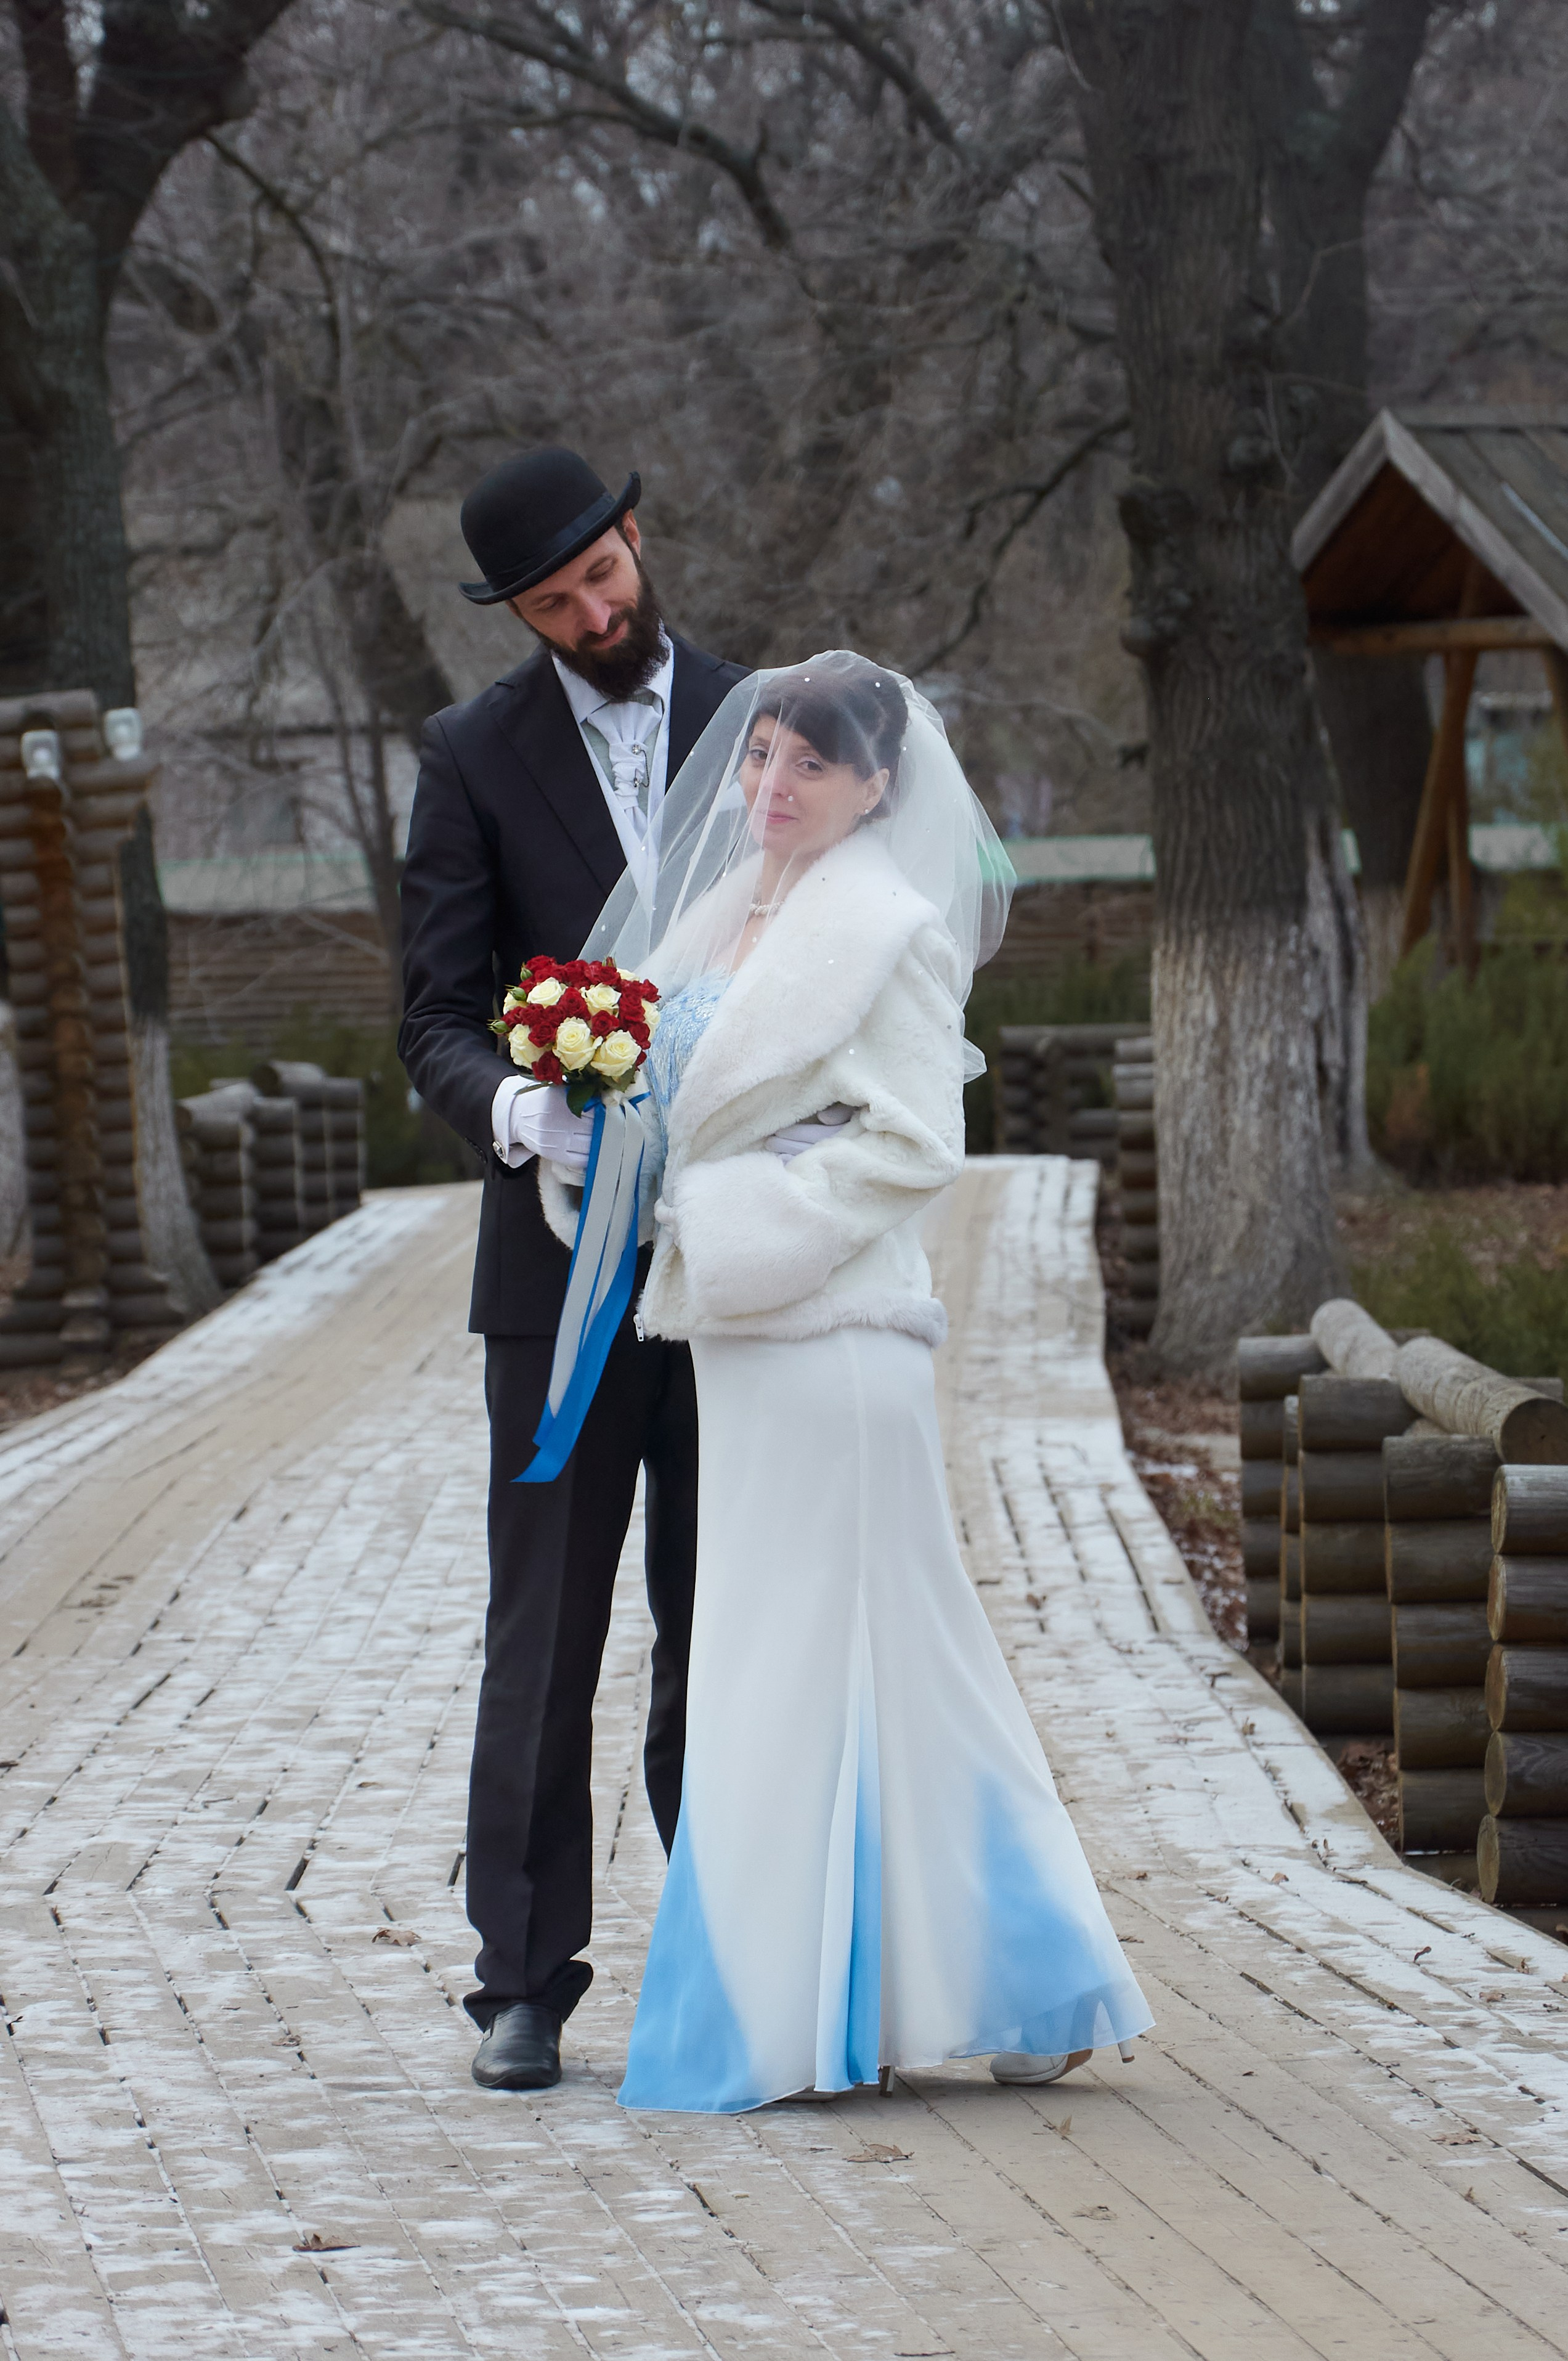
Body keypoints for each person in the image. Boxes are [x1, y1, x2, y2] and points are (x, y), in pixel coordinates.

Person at [535, 652, 1152, 2109]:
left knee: (834, 1655)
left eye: (809, 763)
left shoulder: (891, 930)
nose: (771, 787)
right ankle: (987, 1972)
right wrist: (598, 1162)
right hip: (744, 1351)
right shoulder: (707, 920)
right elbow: (665, 1107)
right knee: (827, 1655)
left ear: (878, 784)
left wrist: (721, 1218)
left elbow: (909, 1142)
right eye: (759, 755)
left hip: (839, 1336)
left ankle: (798, 2004)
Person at [398, 446, 747, 2093]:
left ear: (635, 536)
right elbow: (432, 1018)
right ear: (520, 615)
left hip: (744, 1267)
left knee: (726, 1615)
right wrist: (531, 1111)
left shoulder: (769, 718)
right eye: (559, 604)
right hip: (556, 1280)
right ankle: (520, 1980)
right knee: (543, 1625)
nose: (598, 613)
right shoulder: (471, 756)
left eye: (605, 577)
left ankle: (741, 1941)